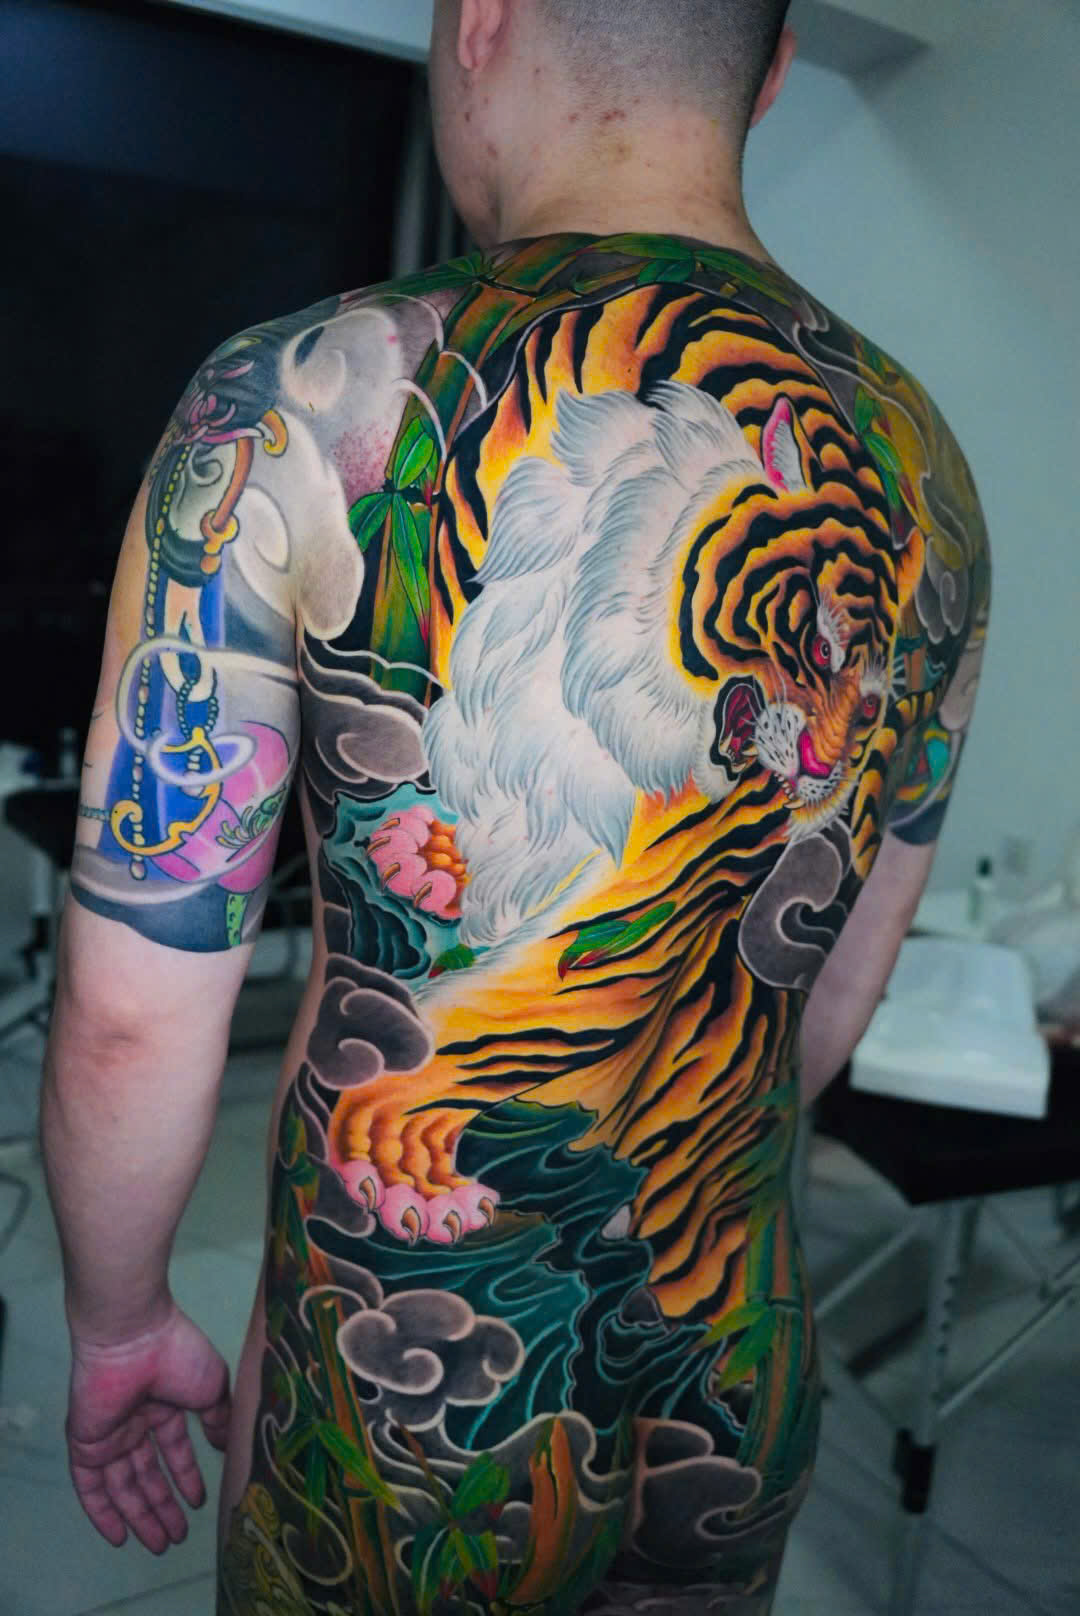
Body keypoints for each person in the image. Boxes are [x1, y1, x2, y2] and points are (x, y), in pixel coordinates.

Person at [41, 2, 991, 1611]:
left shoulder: (285, 410)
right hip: (735, 1356)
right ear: (768, 71)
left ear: (478, 20)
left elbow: (135, 1014)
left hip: (402, 1424)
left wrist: (120, 1319)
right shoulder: (927, 472)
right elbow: (832, 997)